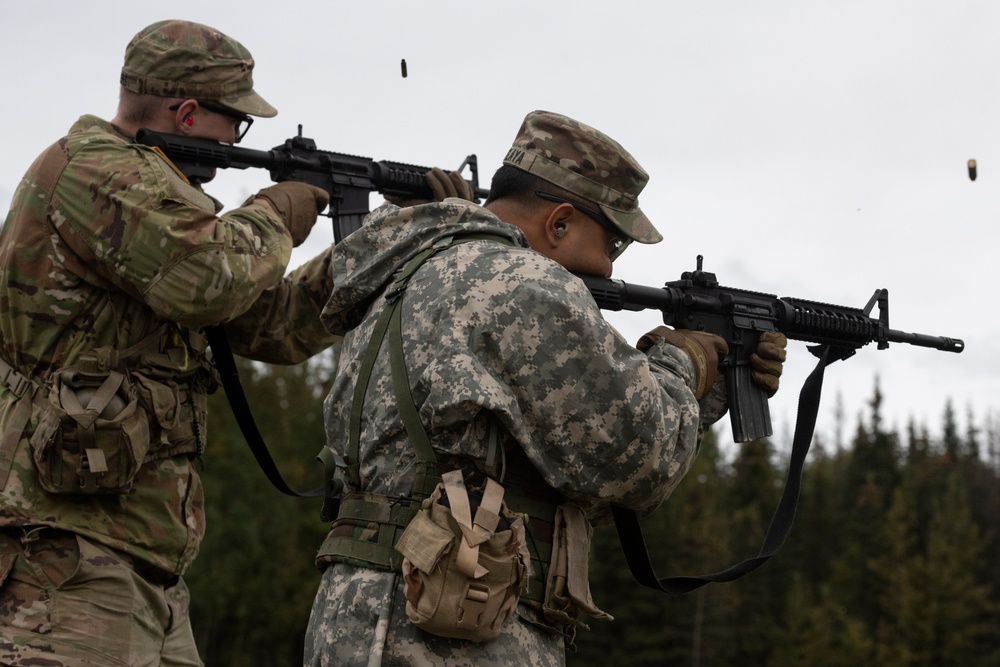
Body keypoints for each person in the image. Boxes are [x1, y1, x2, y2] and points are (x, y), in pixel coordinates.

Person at [304, 110, 788, 666]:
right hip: (444, 631)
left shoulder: (407, 276)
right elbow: (636, 462)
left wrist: (710, 391)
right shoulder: (524, 284)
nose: (608, 268)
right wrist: (686, 363)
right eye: (614, 244)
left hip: (364, 615)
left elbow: (563, 482)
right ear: (559, 223)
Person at [0, 19, 343, 667]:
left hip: (139, 563)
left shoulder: (164, 201)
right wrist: (277, 211)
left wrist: (375, 256)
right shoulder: (97, 171)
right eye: (233, 123)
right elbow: (209, 280)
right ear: (186, 113)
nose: (236, 141)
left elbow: (271, 324)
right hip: (64, 559)